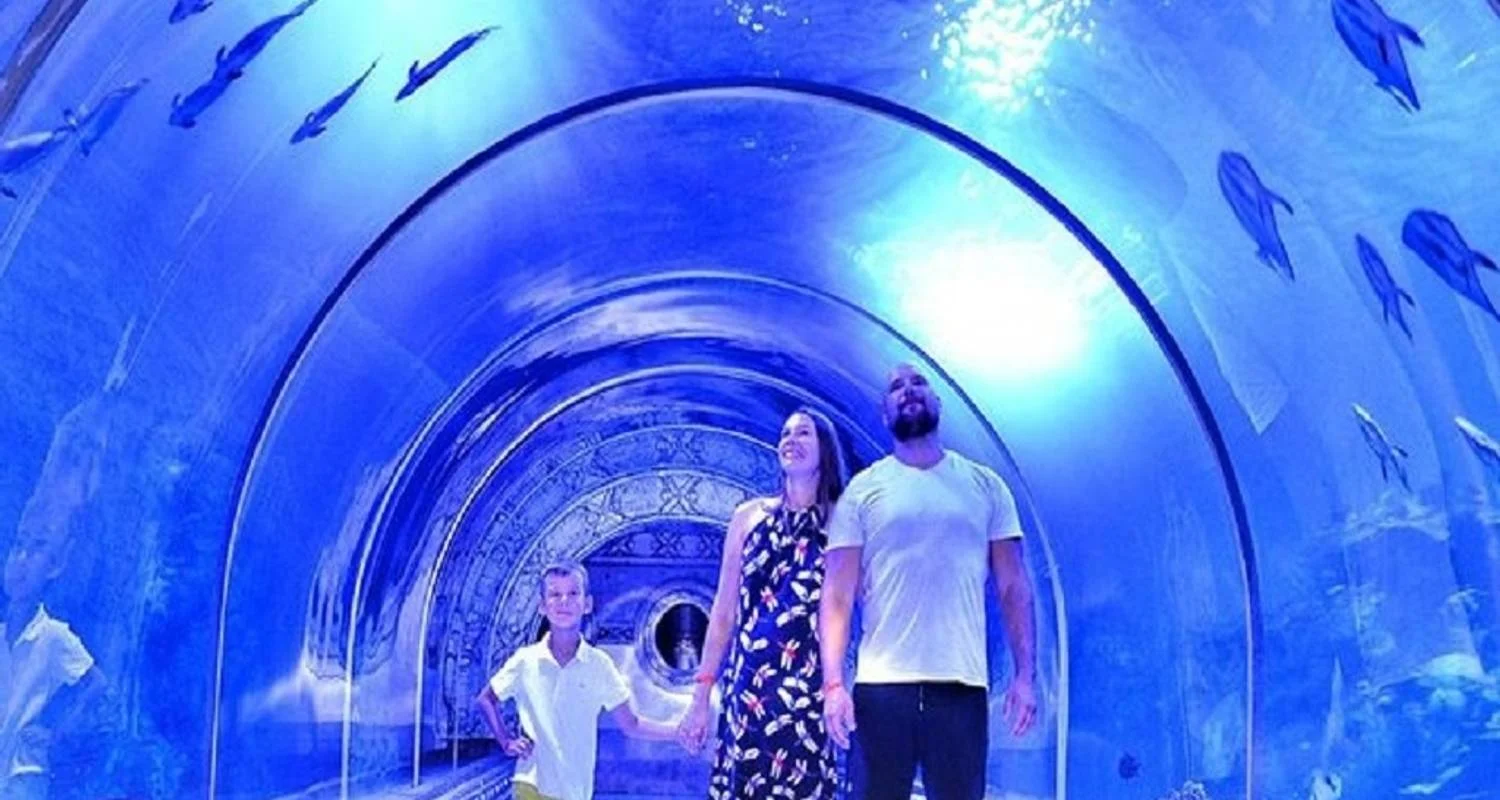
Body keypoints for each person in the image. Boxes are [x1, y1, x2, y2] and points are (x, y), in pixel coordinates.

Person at [819, 362, 1038, 800]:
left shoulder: (986, 486)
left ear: (937, 401)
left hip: (961, 685)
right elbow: (837, 595)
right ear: (884, 413)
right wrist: (834, 685)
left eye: (918, 382)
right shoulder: (862, 492)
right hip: (881, 687)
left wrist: (1025, 676)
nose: (908, 390)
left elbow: (1013, 586)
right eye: (896, 387)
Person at [676, 407, 847, 799]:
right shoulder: (747, 517)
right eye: (785, 434)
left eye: (803, 433)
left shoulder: (843, 521)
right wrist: (700, 697)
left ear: (824, 448)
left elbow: (852, 602)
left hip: (808, 689)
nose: (791, 440)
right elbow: (723, 612)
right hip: (749, 686)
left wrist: (839, 687)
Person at [475, 561, 680, 800]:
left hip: (575, 790)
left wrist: (678, 732)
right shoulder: (526, 660)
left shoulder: (599, 664)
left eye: (573, 593)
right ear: (542, 606)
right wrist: (506, 741)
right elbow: (485, 699)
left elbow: (631, 724)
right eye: (555, 594)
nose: (564, 601)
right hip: (532, 782)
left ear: (587, 604)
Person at [1, 526, 107, 800]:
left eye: (37, 549)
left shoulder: (53, 635)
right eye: (18, 547)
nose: (22, 560)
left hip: (23, 775)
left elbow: (96, 683)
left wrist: (59, 731)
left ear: (54, 568)